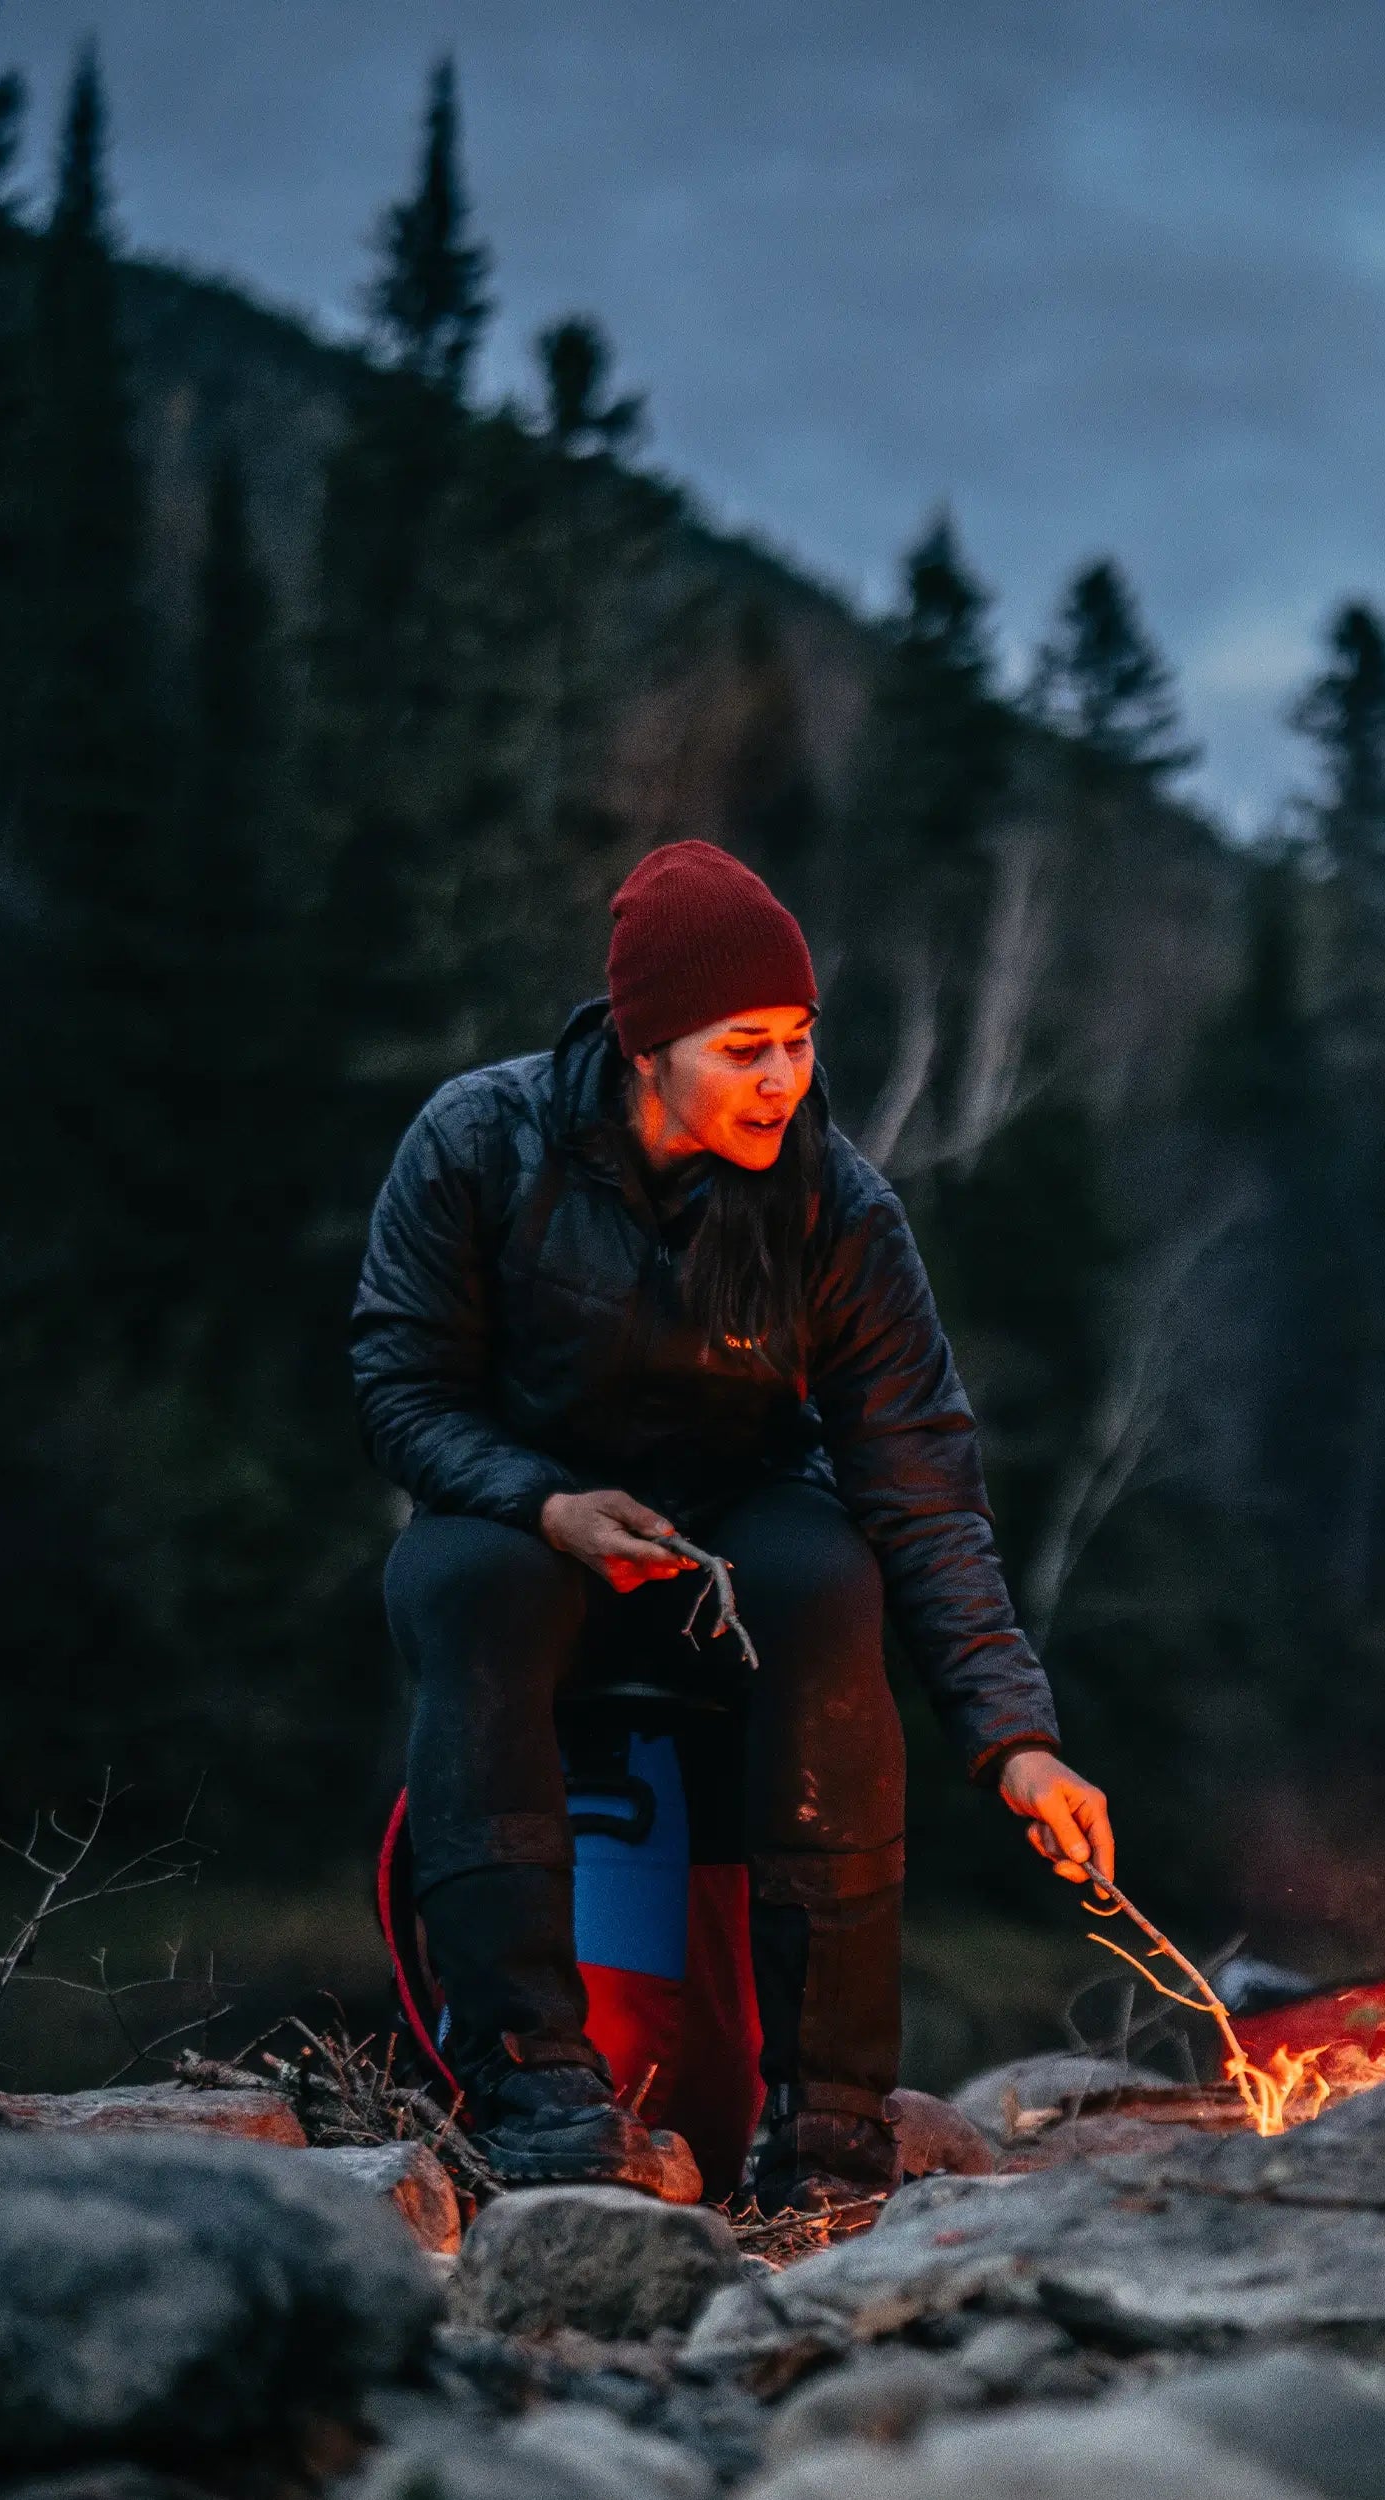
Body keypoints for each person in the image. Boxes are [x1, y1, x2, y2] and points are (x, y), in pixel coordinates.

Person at [351, 840, 1113, 2201]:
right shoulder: (479, 1145)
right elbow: (399, 1392)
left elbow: (921, 1484)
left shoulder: (836, 1206)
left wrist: (1019, 1741)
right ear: (648, 1045)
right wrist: (545, 1502)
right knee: (477, 1591)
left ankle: (827, 2129)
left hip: (731, 1522)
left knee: (830, 1586)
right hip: (517, 1510)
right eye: (743, 1046)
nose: (782, 1081)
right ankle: (536, 2095)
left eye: (800, 1043)